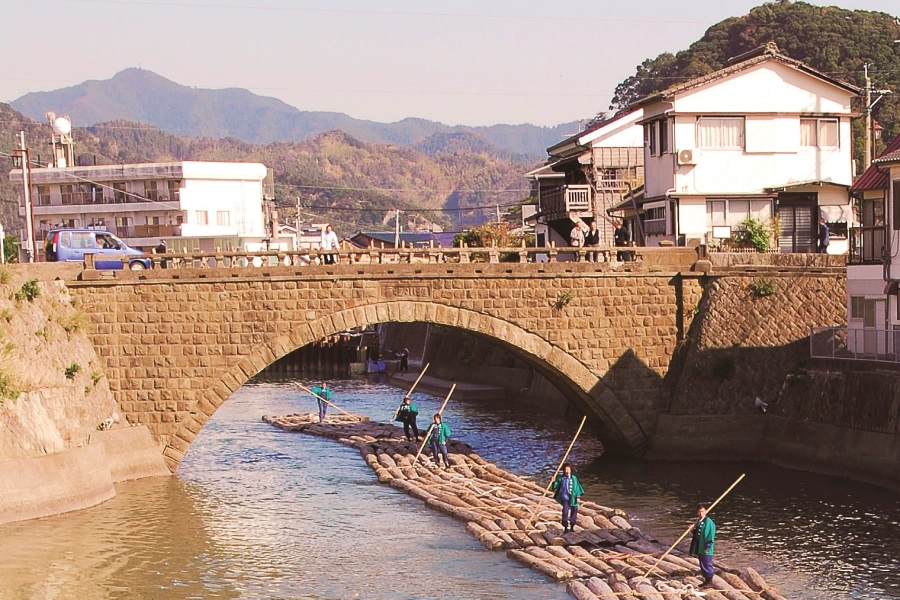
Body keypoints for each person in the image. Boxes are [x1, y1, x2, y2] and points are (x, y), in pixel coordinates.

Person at [551, 463, 584, 533]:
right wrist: (553, 481)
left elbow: (578, 487)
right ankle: (565, 527)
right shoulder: (561, 478)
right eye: (566, 469)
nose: (567, 471)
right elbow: (555, 487)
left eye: (568, 469)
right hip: (565, 498)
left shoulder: (574, 478)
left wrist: (578, 496)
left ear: (570, 470)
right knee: (565, 512)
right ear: (564, 470)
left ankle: (572, 526)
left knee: (574, 512)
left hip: (573, 498)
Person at [689, 503, 717, 587]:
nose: (701, 513)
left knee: (707, 563)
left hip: (705, 548)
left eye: (702, 511)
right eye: (699, 512)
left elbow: (710, 535)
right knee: (702, 563)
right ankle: (706, 580)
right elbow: (698, 534)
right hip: (700, 547)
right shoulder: (699, 521)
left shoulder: (709, 522)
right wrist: (692, 530)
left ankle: (710, 581)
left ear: (706, 511)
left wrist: (707, 547)